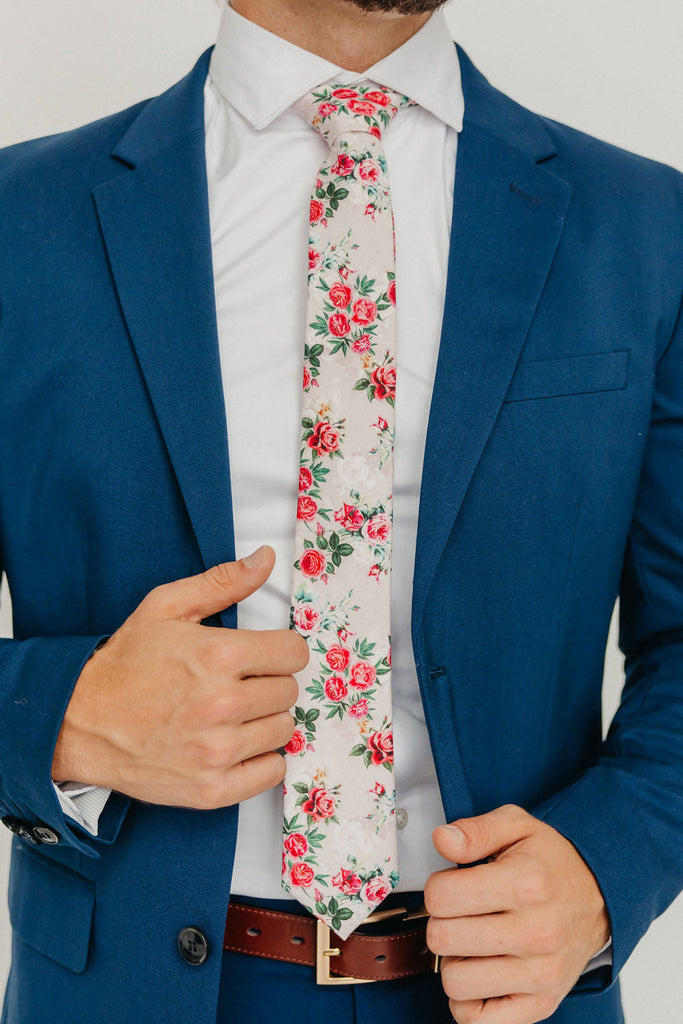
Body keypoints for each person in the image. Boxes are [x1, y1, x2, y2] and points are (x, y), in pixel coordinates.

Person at [0, 0, 681, 1021]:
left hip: (506, 997)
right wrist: (63, 715)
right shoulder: (21, 222)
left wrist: (604, 871)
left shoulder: (642, 227)